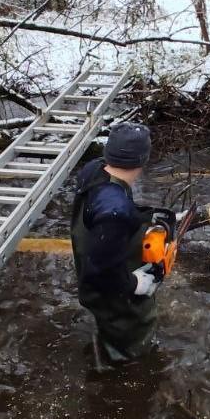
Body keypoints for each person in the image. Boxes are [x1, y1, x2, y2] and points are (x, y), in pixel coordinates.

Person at [70, 122, 172, 368]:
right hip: (106, 288)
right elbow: (101, 271)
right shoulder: (115, 213)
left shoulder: (94, 170)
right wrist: (135, 284)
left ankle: (104, 346)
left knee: (107, 321)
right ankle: (122, 367)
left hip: (93, 268)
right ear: (142, 160)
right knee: (131, 336)